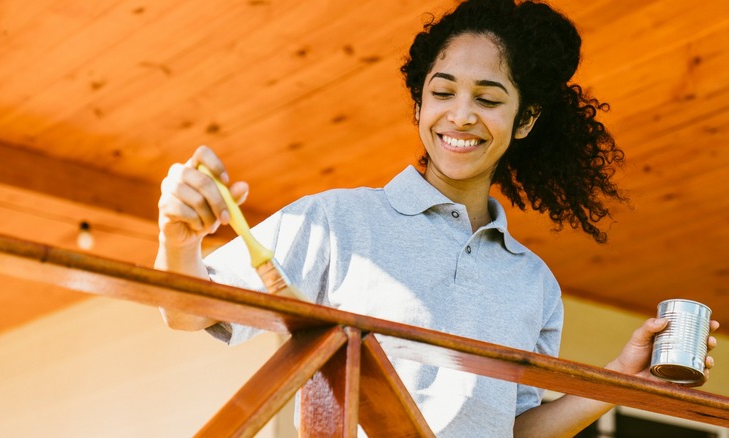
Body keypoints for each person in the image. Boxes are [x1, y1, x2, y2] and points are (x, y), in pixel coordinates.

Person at [155, 0, 718, 436]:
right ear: (419, 106)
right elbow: (188, 313)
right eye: (442, 91)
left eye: (489, 99)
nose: (461, 114)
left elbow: (514, 432)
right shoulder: (336, 221)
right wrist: (178, 238)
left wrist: (625, 376)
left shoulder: (533, 283)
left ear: (525, 121)